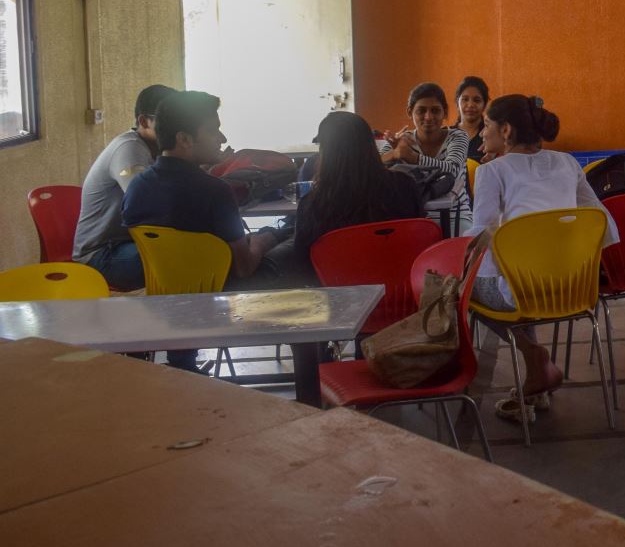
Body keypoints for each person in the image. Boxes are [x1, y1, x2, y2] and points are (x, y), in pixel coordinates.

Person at [469, 94, 619, 425]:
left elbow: (479, 244)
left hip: (523, 294)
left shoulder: (490, 172)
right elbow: (602, 220)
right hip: (572, 289)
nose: (481, 133)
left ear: (505, 130)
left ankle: (533, 356)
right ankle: (536, 380)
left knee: (458, 290)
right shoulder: (567, 163)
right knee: (517, 275)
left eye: (487, 126)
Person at [121, 91, 298, 368]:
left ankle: (183, 361)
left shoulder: (137, 187)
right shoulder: (215, 191)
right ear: (184, 139)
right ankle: (314, 359)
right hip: (221, 299)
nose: (223, 139)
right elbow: (244, 267)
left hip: (164, 298)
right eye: (214, 130)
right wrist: (270, 236)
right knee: (294, 246)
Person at [291, 110, 425, 283]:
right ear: (371, 146)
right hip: (402, 296)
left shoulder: (312, 204)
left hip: (341, 302)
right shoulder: (405, 187)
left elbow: (302, 266)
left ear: (325, 152)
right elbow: (419, 242)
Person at [73, 83, 176, 289]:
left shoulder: (157, 147)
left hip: (131, 242)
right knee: (178, 256)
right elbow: (148, 204)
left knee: (197, 249)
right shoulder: (129, 148)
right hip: (101, 254)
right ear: (144, 122)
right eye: (168, 121)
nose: (176, 128)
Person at [380, 81, 471, 223]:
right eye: (421, 111)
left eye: (435, 110)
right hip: (411, 217)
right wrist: (394, 154)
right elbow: (372, 172)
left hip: (455, 214)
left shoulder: (458, 136)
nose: (428, 117)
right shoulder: (400, 141)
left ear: (445, 112)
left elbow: (452, 168)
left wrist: (412, 157)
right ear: (410, 112)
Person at [456, 75, 490, 163]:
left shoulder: (490, 136)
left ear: (484, 105)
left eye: (477, 100)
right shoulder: (445, 135)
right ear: (457, 103)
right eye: (465, 99)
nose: (470, 105)